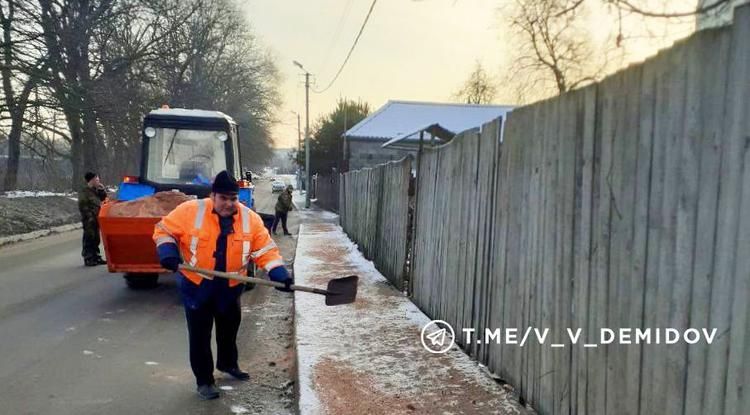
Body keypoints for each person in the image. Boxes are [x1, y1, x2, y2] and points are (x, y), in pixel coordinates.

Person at [152, 170, 293, 400]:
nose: (229, 204)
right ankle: (204, 380)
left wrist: (279, 274)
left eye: (233, 198)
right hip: (198, 285)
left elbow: (265, 250)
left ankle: (228, 364)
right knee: (200, 336)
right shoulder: (190, 211)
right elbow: (164, 230)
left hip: (230, 286)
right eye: (223, 198)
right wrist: (167, 250)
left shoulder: (250, 219)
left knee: (229, 329)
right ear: (213, 196)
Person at [78, 171, 107, 266]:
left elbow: (103, 199)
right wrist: (89, 217)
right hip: (89, 219)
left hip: (96, 218)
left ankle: (96, 256)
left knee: (96, 238)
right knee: (89, 238)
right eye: (97, 179)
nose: (98, 180)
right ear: (92, 180)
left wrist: (102, 190)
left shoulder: (96, 190)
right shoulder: (84, 191)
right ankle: (88, 258)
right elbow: (82, 205)